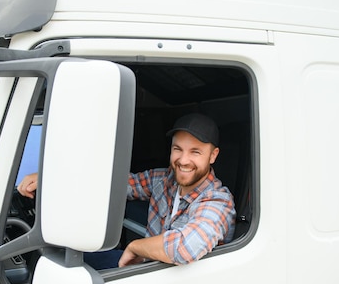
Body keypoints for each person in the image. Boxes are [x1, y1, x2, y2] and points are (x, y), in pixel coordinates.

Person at [17, 113, 235, 268]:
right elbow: (115, 186)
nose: (183, 160)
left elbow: (183, 247)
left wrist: (135, 247)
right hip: (144, 270)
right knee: (62, 256)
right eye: (177, 149)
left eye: (195, 152)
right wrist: (52, 178)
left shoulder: (218, 201)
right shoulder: (163, 179)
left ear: (213, 155)